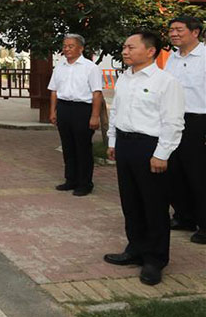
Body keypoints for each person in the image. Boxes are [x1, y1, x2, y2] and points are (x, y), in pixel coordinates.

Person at [104, 30, 184, 286]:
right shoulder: (125, 78)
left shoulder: (165, 81)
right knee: (131, 202)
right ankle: (135, 249)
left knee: (154, 205)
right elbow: (116, 111)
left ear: (150, 51)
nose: (125, 51)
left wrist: (161, 154)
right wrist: (113, 141)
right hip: (126, 145)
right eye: (124, 47)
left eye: (131, 47)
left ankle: (155, 259)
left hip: (150, 148)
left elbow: (173, 122)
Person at [164, 16, 206, 244]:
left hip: (198, 122)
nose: (174, 34)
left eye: (179, 30)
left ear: (195, 32)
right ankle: (183, 216)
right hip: (173, 120)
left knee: (198, 175)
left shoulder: (205, 57)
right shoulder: (172, 57)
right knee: (173, 173)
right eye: (171, 30)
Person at [48, 34, 104, 196]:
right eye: (65, 46)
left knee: (83, 147)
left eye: (71, 46)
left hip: (83, 109)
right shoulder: (60, 66)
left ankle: (85, 183)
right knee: (68, 146)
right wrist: (53, 111)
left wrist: (94, 116)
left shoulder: (90, 67)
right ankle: (70, 180)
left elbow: (97, 93)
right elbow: (54, 91)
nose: (67, 49)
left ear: (81, 48)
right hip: (64, 108)